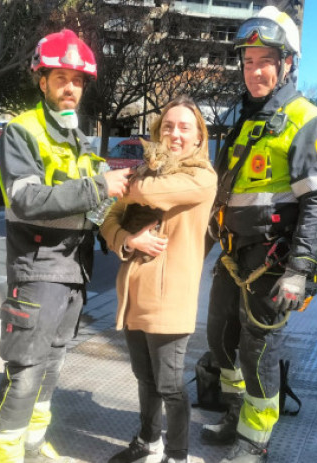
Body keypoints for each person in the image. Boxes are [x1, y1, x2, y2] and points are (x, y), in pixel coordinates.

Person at [0, 29, 131, 463]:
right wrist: (98, 186)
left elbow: (98, 207)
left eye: (78, 80)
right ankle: (3, 455)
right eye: (62, 77)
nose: (71, 88)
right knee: (26, 370)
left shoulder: (79, 138)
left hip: (73, 270)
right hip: (37, 269)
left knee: (52, 365)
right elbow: (26, 200)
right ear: (42, 80)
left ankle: (31, 445)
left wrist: (125, 218)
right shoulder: (22, 131)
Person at [203, 6, 317, 462]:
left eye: (265, 60)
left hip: (272, 261)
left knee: (258, 349)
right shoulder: (247, 118)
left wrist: (300, 270)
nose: (254, 71)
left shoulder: (306, 120)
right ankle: (235, 411)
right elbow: (225, 194)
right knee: (219, 336)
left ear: (287, 64)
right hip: (231, 255)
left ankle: (254, 440)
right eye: (247, 61)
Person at [100, 95, 217, 463]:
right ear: (157, 132)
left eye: (185, 127)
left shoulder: (201, 177)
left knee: (170, 385)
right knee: (145, 378)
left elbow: (148, 192)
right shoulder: (147, 170)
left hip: (171, 298)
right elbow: (107, 218)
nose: (175, 134)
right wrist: (127, 239)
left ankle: (177, 455)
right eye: (168, 126)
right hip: (133, 295)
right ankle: (148, 442)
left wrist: (120, 182)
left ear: (199, 137)